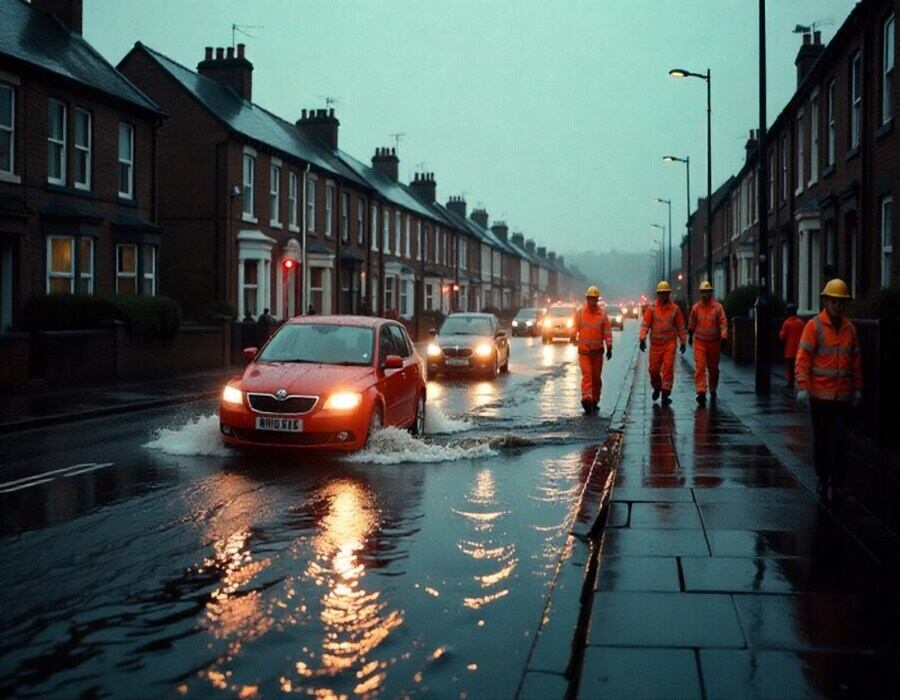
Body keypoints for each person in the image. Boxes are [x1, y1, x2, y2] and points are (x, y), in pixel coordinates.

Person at [794, 279, 863, 500]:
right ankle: (824, 478)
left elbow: (855, 362)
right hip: (820, 397)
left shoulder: (849, 329)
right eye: (834, 301)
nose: (837, 306)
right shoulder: (813, 327)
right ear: (825, 301)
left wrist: (858, 388)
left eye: (841, 302)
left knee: (840, 440)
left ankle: (838, 481)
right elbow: (802, 359)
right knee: (823, 440)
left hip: (842, 396)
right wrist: (803, 387)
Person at [639, 280, 687, 406]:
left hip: (669, 344)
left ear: (668, 294)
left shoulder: (675, 309)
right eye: (661, 293)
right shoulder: (652, 308)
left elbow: (680, 326)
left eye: (665, 293)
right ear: (658, 294)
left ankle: (665, 393)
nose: (663, 296)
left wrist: (683, 341)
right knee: (653, 370)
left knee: (667, 368)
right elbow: (645, 324)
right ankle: (656, 387)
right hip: (655, 344)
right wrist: (642, 338)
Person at [574, 285, 612, 415]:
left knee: (596, 377)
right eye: (590, 299)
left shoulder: (602, 314)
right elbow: (575, 327)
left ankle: (594, 399)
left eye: (594, 299)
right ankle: (586, 399)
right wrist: (573, 336)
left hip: (597, 352)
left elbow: (607, 332)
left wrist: (609, 347)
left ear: (597, 299)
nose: (592, 301)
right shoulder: (580, 313)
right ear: (587, 299)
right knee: (587, 375)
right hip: (584, 352)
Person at [688, 280, 728, 405]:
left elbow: (723, 323)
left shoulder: (717, 308)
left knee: (713, 368)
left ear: (710, 293)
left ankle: (713, 387)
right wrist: (690, 334)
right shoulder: (696, 308)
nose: (705, 294)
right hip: (700, 342)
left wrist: (724, 337)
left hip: (714, 343)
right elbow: (692, 322)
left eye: (707, 292)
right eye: (703, 292)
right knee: (700, 367)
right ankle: (701, 391)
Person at [778, 303, 805, 391]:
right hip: (799, 350)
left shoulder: (787, 323)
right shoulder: (800, 322)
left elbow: (782, 336)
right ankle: (797, 382)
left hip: (789, 350)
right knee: (798, 367)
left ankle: (790, 383)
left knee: (790, 368)